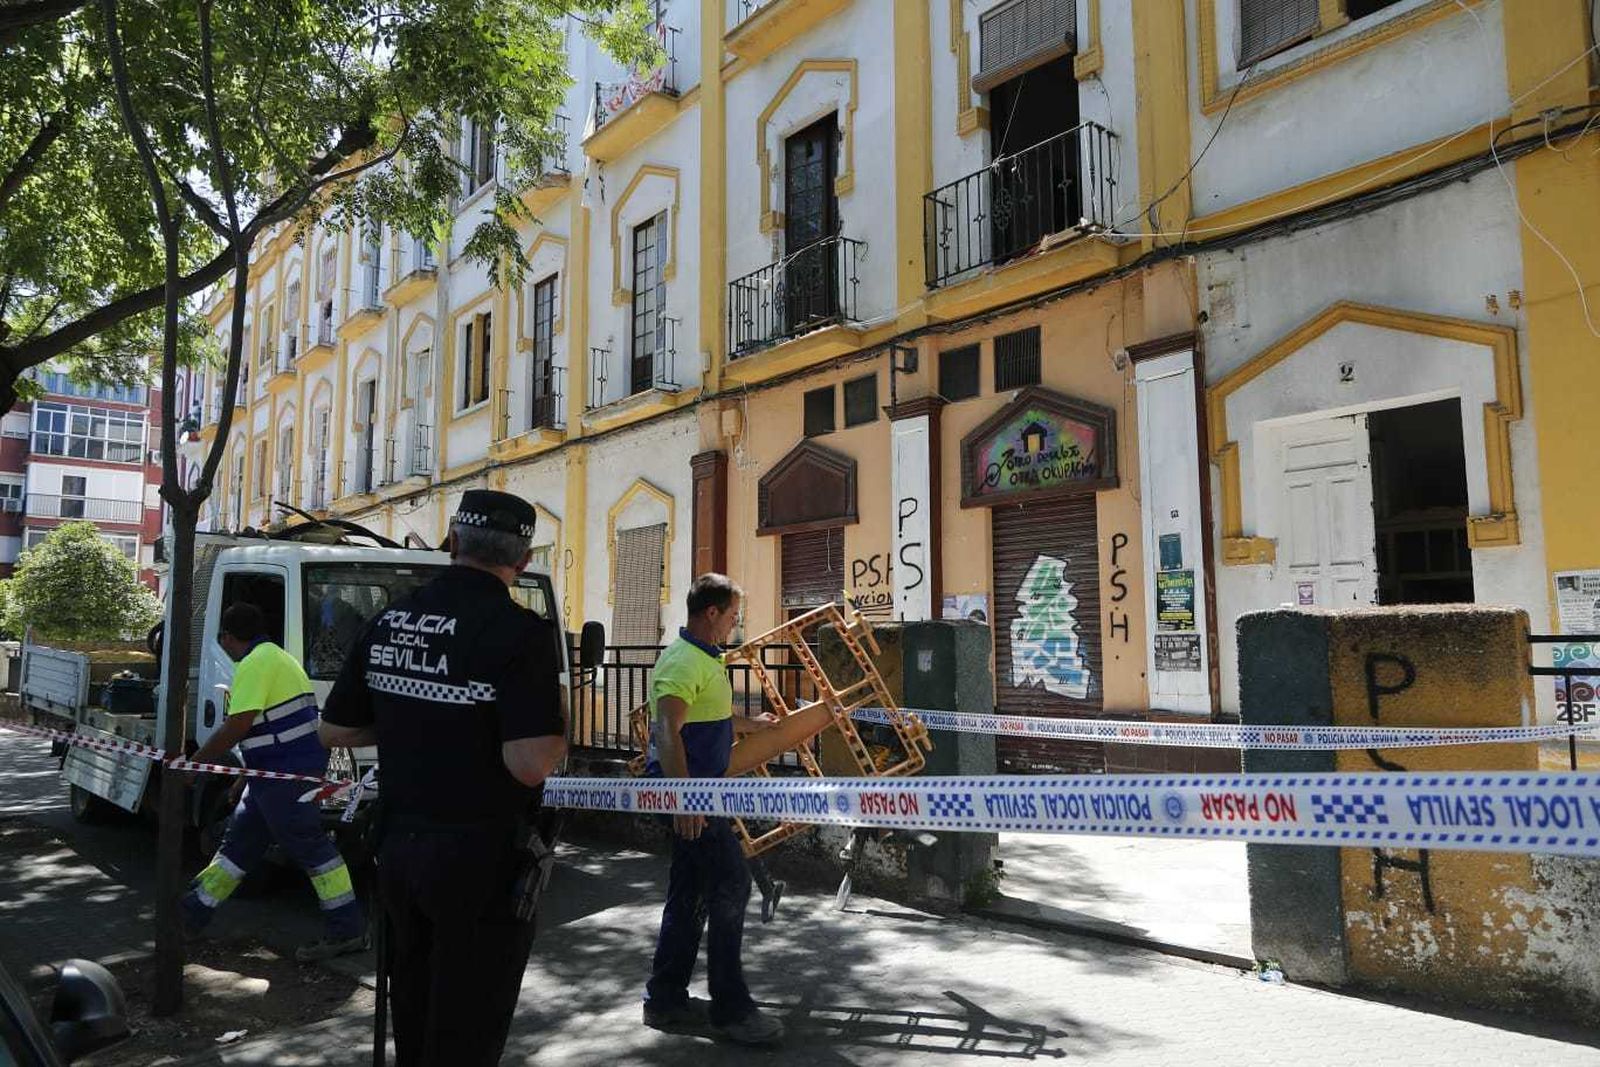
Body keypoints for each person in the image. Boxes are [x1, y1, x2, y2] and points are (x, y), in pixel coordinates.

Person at [319, 490, 566, 1067]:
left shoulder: (391, 618)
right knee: (467, 1027)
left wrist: (418, 722)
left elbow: (334, 729)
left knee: (413, 1007)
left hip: (398, 852)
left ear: (452, 543)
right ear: (523, 561)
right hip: (480, 863)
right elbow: (529, 763)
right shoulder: (519, 633)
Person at [642, 574, 784, 1047]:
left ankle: (665, 999)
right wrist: (683, 798)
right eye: (732, 616)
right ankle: (731, 1010)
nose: (735, 625)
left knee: (690, 892)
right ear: (711, 614)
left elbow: (711, 717)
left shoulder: (703, 658)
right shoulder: (684, 660)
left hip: (698, 798)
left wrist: (752, 725)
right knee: (730, 883)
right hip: (689, 800)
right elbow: (667, 729)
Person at [180, 603, 366, 962]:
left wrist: (196, 764)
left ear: (228, 638)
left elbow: (239, 725)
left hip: (286, 775)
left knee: (310, 847)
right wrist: (244, 780)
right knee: (239, 847)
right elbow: (268, 731)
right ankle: (191, 913)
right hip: (280, 773)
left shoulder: (253, 664)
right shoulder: (277, 657)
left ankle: (348, 930)